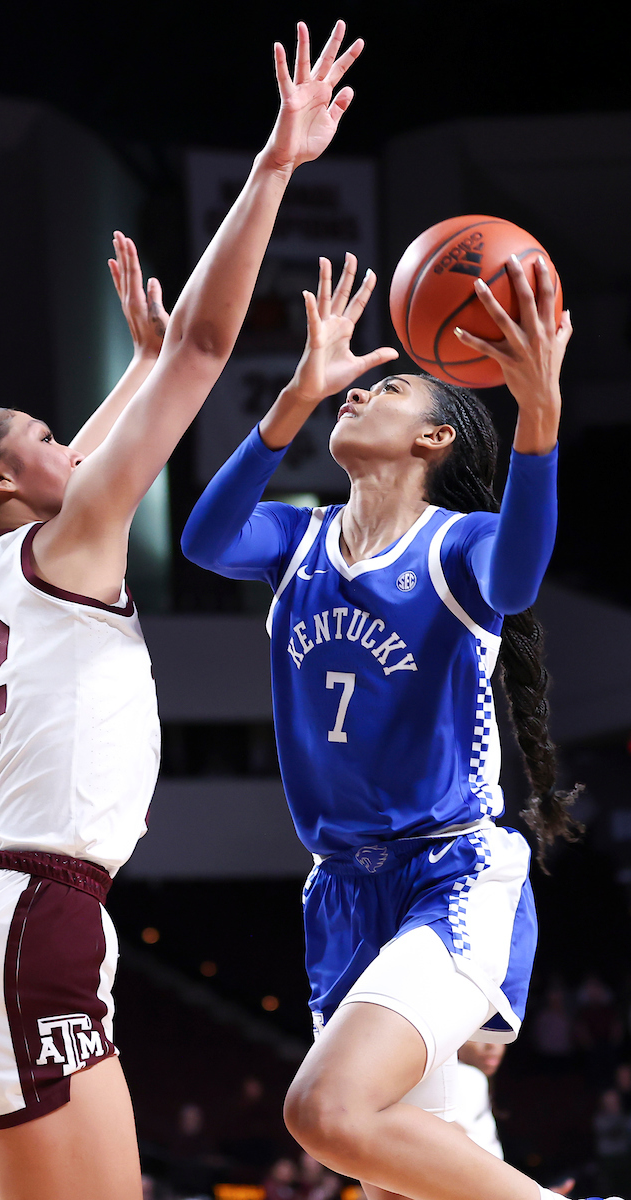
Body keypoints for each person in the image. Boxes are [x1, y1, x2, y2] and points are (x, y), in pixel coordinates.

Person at [0, 22, 364, 1200]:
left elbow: (83, 458)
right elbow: (207, 346)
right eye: (42, 435)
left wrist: (134, 372)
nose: (66, 442)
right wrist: (273, 165)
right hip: (24, 920)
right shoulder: (62, 548)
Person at [180, 252, 609, 1200]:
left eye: (389, 390)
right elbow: (204, 540)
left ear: (434, 440)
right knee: (391, 1179)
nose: (358, 393)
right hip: (342, 890)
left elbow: (519, 577)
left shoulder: (459, 548)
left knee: (327, 1114)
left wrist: (538, 415)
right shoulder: (298, 541)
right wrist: (293, 397)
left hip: (448, 876)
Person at [455, 1040, 506, 1159]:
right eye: (479, 1036)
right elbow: (452, 1137)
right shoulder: (467, 1075)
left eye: (499, 1035)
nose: (492, 1045)